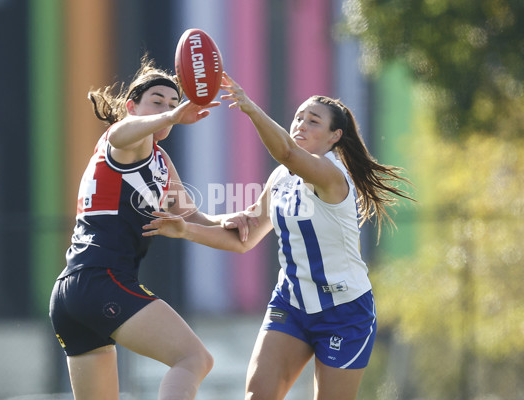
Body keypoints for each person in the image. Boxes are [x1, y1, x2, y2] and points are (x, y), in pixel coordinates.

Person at [143, 72, 414, 400]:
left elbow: (286, 151)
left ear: (334, 137)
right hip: (292, 303)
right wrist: (187, 229)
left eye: (313, 121)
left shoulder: (331, 174)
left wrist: (249, 107)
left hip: (344, 311)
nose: (301, 124)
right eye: (298, 117)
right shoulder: (281, 179)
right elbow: (243, 239)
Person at [49, 55, 226, 400]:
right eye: (156, 101)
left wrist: (237, 217)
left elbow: (192, 218)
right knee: (193, 359)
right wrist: (172, 115)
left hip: (74, 292)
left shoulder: (159, 158)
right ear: (131, 106)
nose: (168, 108)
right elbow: (119, 132)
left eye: (174, 102)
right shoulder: (130, 141)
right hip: (102, 281)